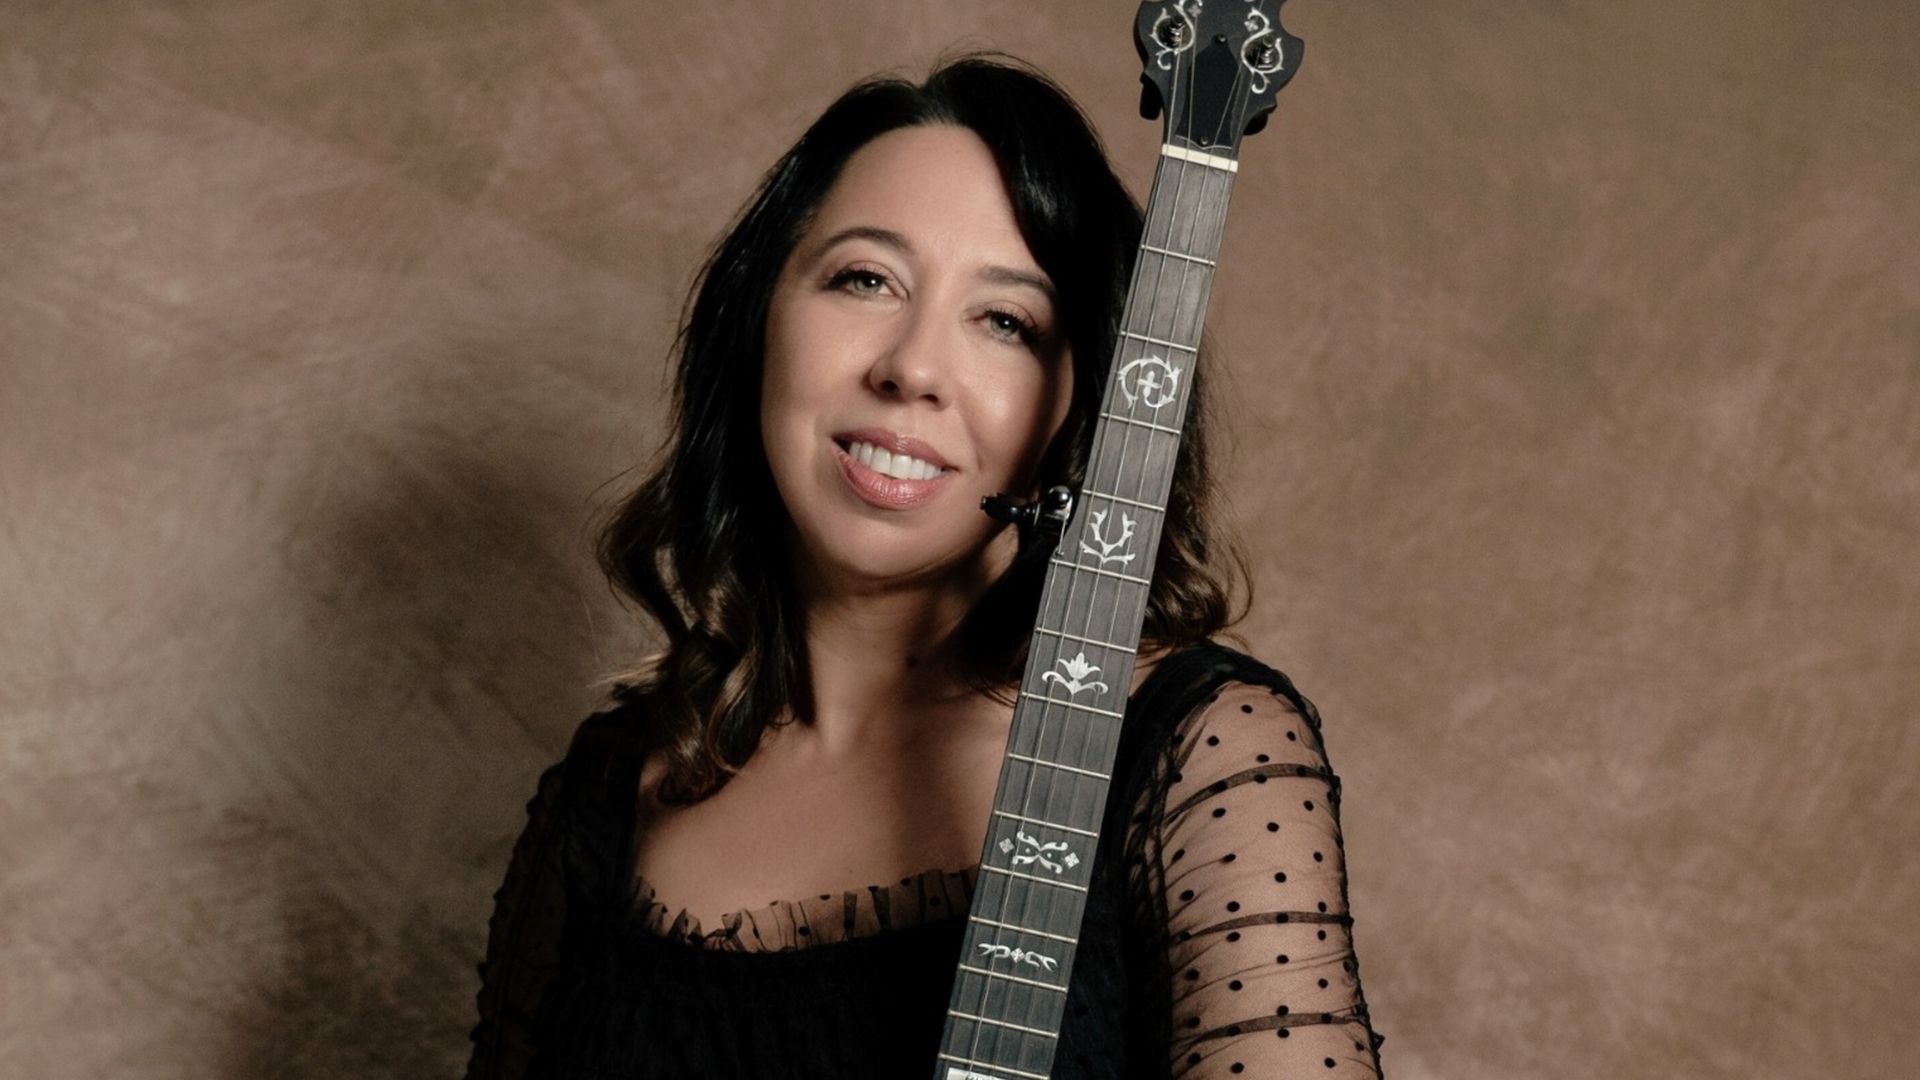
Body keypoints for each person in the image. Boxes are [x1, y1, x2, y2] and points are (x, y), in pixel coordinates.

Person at [466, 55, 1383, 1079]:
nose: (911, 368)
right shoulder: (613, 788)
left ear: (1085, 406)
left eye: (1007, 322)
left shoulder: (1199, 755)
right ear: (758, 320)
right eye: (866, 280)